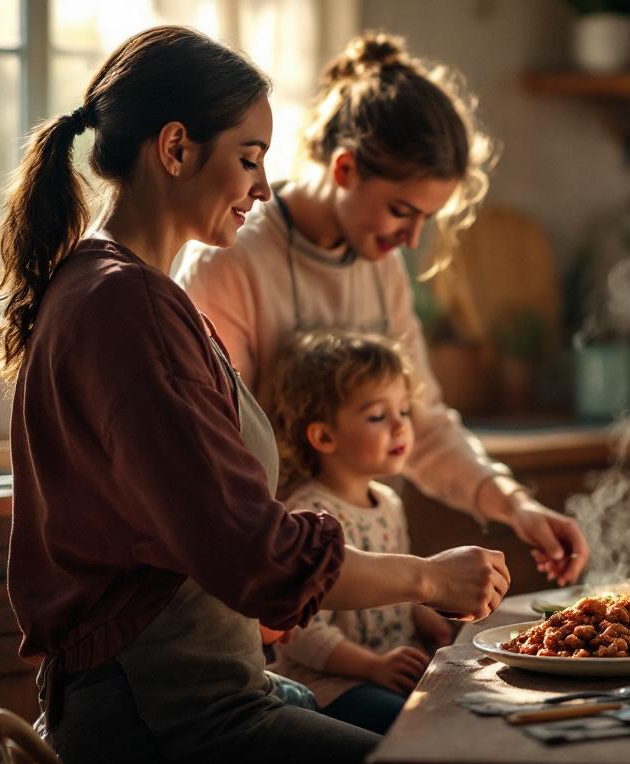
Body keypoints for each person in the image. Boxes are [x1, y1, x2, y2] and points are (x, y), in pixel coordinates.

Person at [0, 26, 508, 764]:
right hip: (167, 719)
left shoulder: (127, 291)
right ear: (175, 150)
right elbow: (253, 554)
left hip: (206, 694)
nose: (263, 187)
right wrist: (430, 575)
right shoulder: (125, 306)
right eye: (249, 158)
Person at [173, 32, 589, 587]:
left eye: (425, 220)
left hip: (355, 580)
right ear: (344, 170)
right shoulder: (228, 261)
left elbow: (421, 420)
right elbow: (223, 467)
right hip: (263, 584)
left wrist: (516, 506)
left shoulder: (381, 263)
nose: (411, 240)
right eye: (400, 211)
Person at [262, 330, 453, 734]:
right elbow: (298, 633)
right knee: (416, 729)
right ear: (324, 436)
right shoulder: (308, 515)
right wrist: (373, 666)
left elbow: (398, 590)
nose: (400, 427)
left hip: (393, 672)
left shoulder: (389, 503)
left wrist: (424, 617)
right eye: (378, 416)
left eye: (403, 411)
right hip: (334, 686)